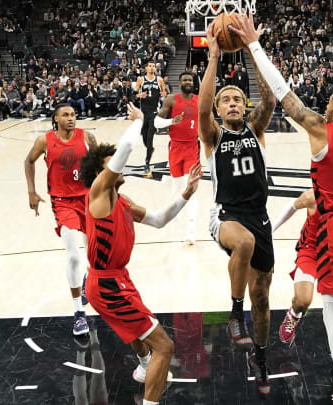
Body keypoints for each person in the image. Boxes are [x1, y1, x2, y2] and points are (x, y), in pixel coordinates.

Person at [229, 14, 333, 404]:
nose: (326, 104)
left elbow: (285, 94)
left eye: (331, 101)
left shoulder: (322, 130)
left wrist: (254, 44)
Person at [80, 103, 202, 405]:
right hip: (107, 284)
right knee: (164, 346)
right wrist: (140, 120)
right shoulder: (98, 193)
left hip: (116, 279)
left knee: (138, 328)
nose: (119, 168)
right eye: (111, 165)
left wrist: (185, 194)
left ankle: (145, 367)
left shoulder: (123, 201)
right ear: (101, 173)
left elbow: (159, 220)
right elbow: (126, 148)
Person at [198, 22, 276, 396]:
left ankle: (260, 358)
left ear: (245, 106)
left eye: (237, 100)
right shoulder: (214, 135)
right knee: (242, 244)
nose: (232, 103)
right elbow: (200, 109)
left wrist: (251, 49)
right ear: (218, 109)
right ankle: (233, 312)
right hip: (225, 214)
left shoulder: (256, 128)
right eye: (225, 100)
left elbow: (271, 98)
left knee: (262, 297)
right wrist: (214, 56)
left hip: (261, 217)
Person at [23, 104, 98, 335]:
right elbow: (29, 161)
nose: (71, 118)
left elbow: (99, 166)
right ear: (55, 119)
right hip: (62, 202)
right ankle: (78, 313)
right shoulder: (44, 141)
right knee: (74, 254)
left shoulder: (87, 137)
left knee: (93, 255)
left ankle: (86, 280)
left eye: (73, 115)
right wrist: (31, 191)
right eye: (65, 115)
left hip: (88, 199)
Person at [271, 190, 333, 376]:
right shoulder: (313, 196)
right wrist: (269, 231)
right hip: (310, 250)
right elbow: (292, 207)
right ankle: (293, 314)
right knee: (302, 301)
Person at [154, 72, 200, 244]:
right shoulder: (171, 100)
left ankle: (191, 230)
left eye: (190, 80)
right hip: (175, 147)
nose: (187, 82)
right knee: (177, 185)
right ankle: (175, 213)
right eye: (184, 80)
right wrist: (171, 121)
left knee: (192, 187)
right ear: (180, 83)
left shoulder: (199, 99)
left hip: (192, 148)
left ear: (193, 83)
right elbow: (156, 123)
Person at [135, 61, 167, 178]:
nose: (151, 67)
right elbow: (133, 95)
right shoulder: (140, 79)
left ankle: (147, 163)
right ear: (146, 68)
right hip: (143, 113)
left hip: (154, 112)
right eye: (149, 65)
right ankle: (150, 149)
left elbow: (164, 93)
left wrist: (164, 94)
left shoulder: (160, 80)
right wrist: (139, 95)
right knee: (144, 137)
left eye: (153, 66)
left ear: (155, 68)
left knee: (149, 138)